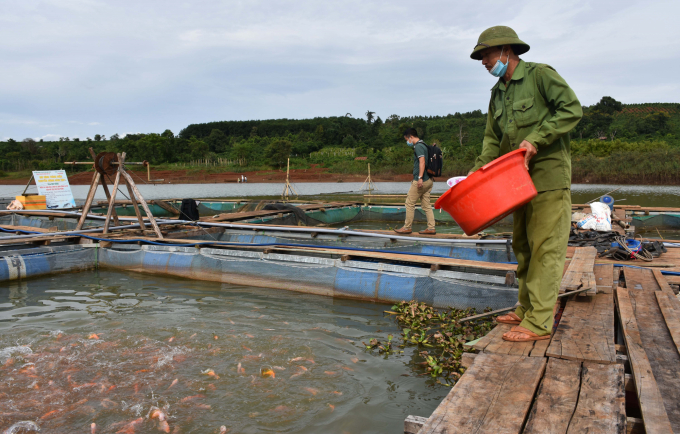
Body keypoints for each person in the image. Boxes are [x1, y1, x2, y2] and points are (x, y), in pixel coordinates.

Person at [468, 26, 582, 342]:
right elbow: (492, 140)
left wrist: (537, 138)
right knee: (523, 246)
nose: (483, 62)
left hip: (547, 179)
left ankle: (539, 322)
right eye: (480, 57)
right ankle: (526, 308)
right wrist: (474, 176)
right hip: (514, 184)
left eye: (486, 54)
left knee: (546, 248)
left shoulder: (540, 76)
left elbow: (571, 109)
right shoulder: (497, 94)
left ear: (507, 51)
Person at [394, 128, 436, 235]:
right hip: (429, 180)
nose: (407, 141)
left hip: (422, 180)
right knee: (426, 205)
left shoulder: (418, 146)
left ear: (410, 137)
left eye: (407, 139)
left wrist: (420, 178)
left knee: (409, 203)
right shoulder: (424, 145)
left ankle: (407, 227)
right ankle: (431, 228)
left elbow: (422, 162)